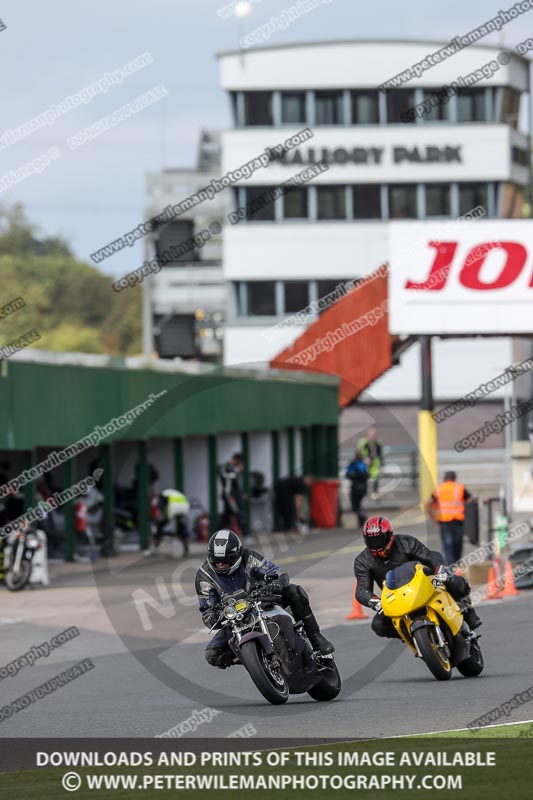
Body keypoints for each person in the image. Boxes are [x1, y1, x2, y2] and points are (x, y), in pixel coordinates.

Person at [196, 529, 334, 668]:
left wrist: (274, 584)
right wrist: (215, 617)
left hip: (262, 602)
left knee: (293, 591)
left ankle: (316, 637)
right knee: (211, 655)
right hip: (235, 619)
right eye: (216, 560)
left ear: (236, 554)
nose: (220, 564)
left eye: (225, 560)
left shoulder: (247, 556)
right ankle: (255, 660)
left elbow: (278, 572)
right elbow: (206, 612)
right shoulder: (204, 576)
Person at [353, 516, 481, 640]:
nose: (377, 544)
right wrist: (374, 601)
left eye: (380, 539)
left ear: (390, 535)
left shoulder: (405, 542)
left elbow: (431, 556)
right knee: (378, 625)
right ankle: (411, 636)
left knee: (457, 582)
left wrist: (439, 571)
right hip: (395, 599)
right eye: (372, 540)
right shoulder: (362, 561)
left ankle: (468, 613)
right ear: (365, 540)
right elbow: (361, 589)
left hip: (425, 585)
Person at [425, 471, 472, 566]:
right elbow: (470, 500)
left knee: (448, 546)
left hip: (444, 521)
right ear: (454, 478)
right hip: (458, 520)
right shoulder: (460, 488)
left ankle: (451, 566)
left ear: (445, 478)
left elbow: (428, 504)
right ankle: (457, 565)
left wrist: (433, 517)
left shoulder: (439, 489)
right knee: (457, 544)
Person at [218, 453, 251, 540]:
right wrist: (237, 470)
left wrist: (241, 494)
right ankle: (247, 534)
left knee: (226, 516)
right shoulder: (226, 467)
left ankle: (218, 534)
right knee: (238, 513)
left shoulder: (233, 469)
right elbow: (229, 477)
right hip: (229, 495)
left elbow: (236, 484)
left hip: (234, 495)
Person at [358, 427, 383, 500]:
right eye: (371, 435)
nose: (373, 436)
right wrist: (365, 459)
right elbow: (359, 452)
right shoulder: (363, 442)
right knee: (364, 477)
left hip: (375, 463)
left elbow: (380, 454)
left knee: (375, 477)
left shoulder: (378, 442)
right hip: (365, 463)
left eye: (374, 435)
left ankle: (375, 493)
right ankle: (364, 493)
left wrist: (382, 465)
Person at [345, 450, 368, 528]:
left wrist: (354, 476)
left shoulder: (354, 464)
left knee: (355, 506)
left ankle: (362, 517)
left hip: (356, 487)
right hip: (363, 487)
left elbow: (348, 474)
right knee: (358, 504)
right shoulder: (363, 464)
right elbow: (366, 475)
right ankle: (361, 520)